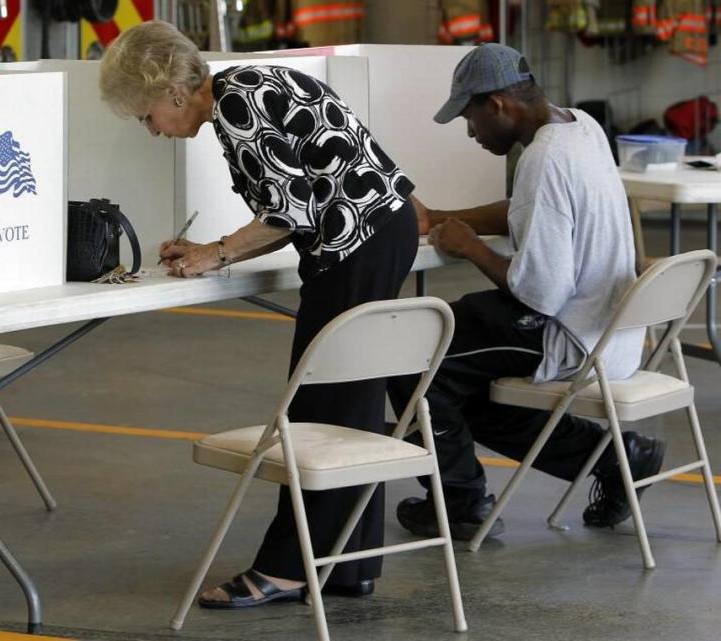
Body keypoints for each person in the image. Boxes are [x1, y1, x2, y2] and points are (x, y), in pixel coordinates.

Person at [99, 20, 419, 606]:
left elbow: (287, 211)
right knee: (349, 406)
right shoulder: (248, 89)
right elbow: (293, 209)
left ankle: (290, 567)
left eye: (146, 115)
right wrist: (212, 251)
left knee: (322, 410)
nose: (151, 130)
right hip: (376, 231)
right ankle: (346, 566)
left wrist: (215, 252)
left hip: (356, 244)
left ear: (171, 92)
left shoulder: (240, 104)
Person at [388, 43, 665, 541]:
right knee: (455, 387)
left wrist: (471, 248)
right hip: (610, 329)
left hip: (569, 332)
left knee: (407, 354)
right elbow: (525, 209)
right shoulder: (579, 126)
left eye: (470, 118)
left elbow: (541, 293)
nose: (470, 132)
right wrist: (444, 220)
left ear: (496, 105)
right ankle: (618, 457)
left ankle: (460, 503)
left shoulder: (543, 158)